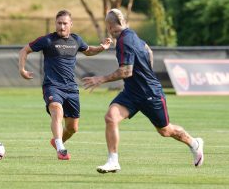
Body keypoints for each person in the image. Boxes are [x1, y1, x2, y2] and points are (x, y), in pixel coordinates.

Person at [82, 9, 204, 173]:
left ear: (110, 27)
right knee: (111, 118)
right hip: (131, 93)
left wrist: (100, 79)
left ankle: (194, 143)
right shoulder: (132, 35)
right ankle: (113, 161)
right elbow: (149, 50)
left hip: (150, 94)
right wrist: (146, 70)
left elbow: (126, 71)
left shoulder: (125, 41)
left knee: (165, 130)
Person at [19, 10, 112, 160]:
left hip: (71, 88)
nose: (61, 27)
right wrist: (22, 69)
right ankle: (61, 148)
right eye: (59, 23)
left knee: (73, 128)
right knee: (56, 109)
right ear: (55, 23)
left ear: (71, 24)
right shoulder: (47, 40)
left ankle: (57, 142)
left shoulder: (76, 40)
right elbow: (25, 50)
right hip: (52, 86)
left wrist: (102, 48)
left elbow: (88, 51)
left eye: (65, 23)